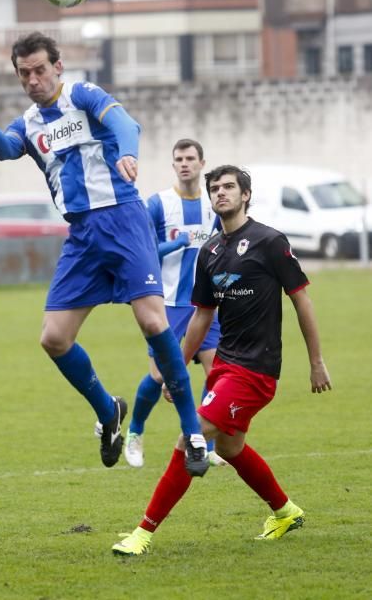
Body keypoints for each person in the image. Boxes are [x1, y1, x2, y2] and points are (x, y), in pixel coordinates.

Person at [0, 31, 208, 477]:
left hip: (123, 219)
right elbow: (5, 150)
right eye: (24, 73)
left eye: (39, 69)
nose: (33, 79)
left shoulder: (84, 95)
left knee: (153, 322)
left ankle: (192, 431)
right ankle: (108, 410)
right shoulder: (29, 123)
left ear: (58, 66)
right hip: (82, 235)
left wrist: (128, 154)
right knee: (53, 338)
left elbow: (125, 124)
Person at [111, 164, 332, 555]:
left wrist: (316, 361)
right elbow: (201, 316)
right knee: (230, 448)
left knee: (190, 436)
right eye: (215, 188)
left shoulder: (270, 241)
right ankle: (284, 511)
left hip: (257, 369)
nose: (221, 193)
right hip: (227, 363)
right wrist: (172, 368)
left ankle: (142, 534)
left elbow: (302, 300)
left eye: (229, 187)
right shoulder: (210, 252)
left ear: (246, 195)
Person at [120, 139, 226, 468]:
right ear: (173, 165)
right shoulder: (158, 205)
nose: (184, 163)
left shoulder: (215, 207)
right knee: (157, 376)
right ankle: (134, 433)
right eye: (179, 158)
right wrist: (176, 244)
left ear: (202, 162)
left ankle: (206, 443)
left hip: (205, 304)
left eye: (190, 158)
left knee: (217, 373)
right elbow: (144, 252)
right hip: (165, 302)